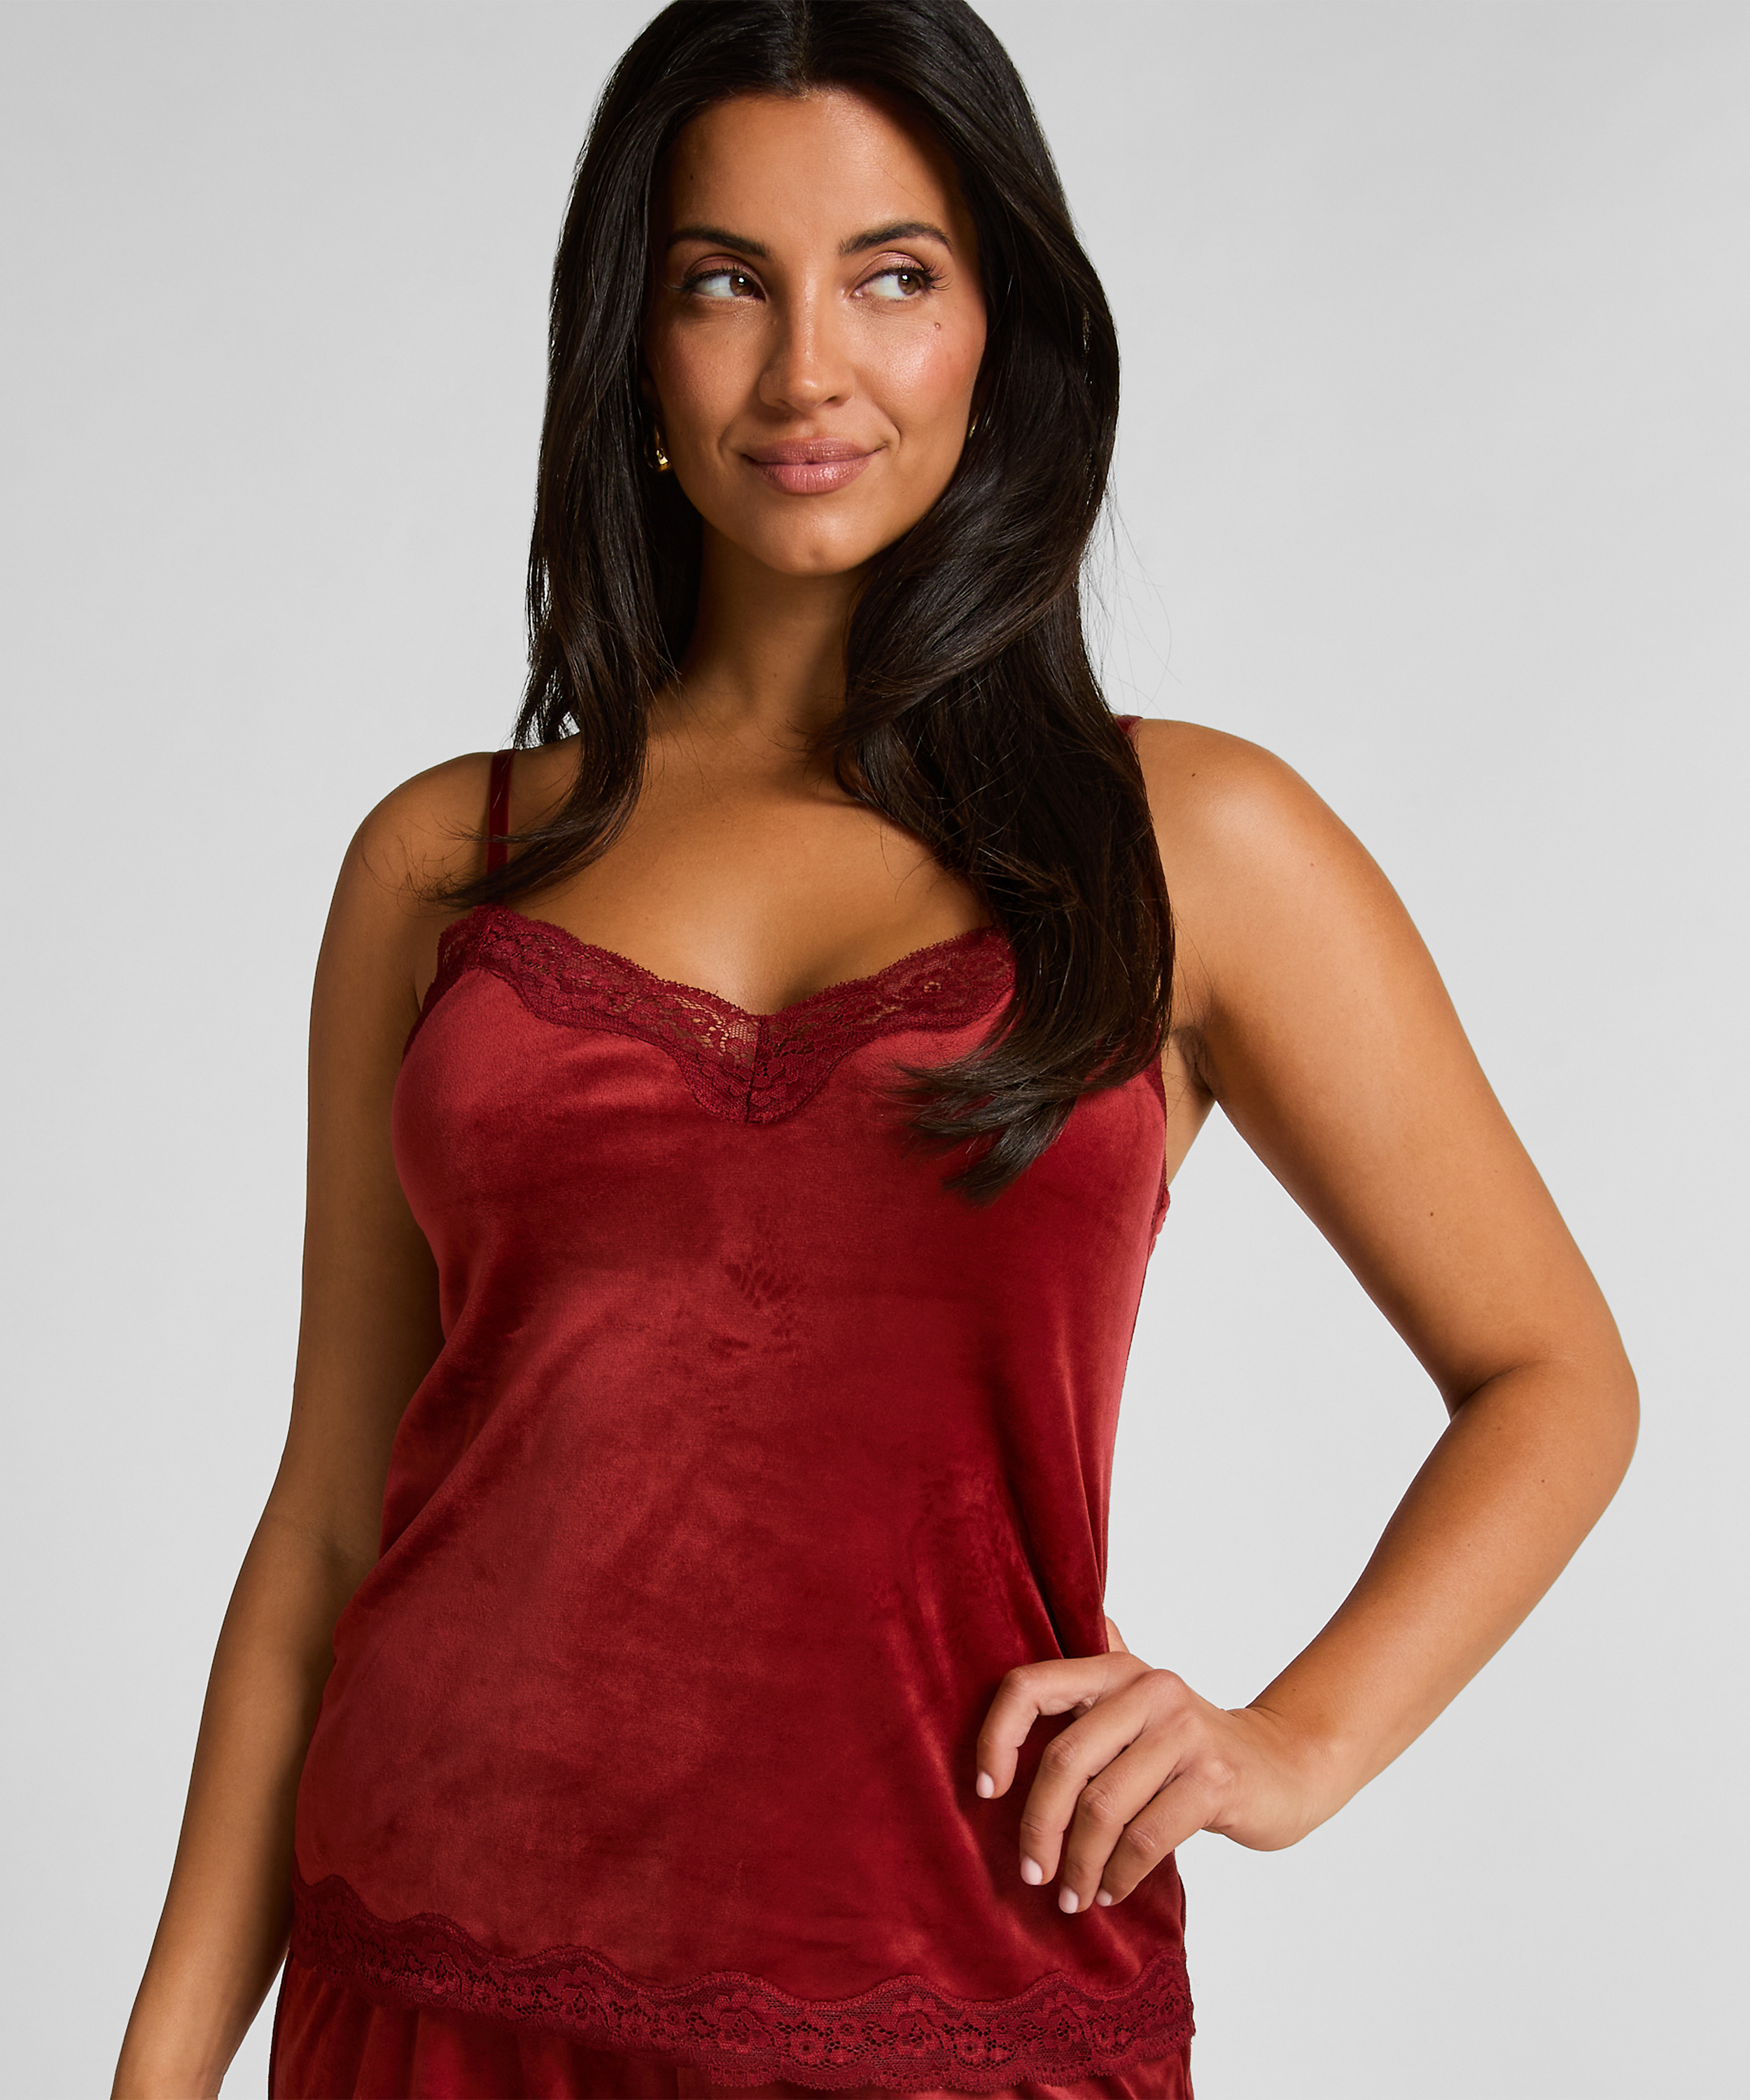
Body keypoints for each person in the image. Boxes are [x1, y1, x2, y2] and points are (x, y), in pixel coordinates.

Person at [112, 3, 1637, 2096]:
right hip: (429, 1991)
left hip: (958, 2008)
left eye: (892, 275)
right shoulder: (440, 864)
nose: (807, 370)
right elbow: (324, 1531)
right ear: (631, 343)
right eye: (723, 282)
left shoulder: (1187, 844)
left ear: (999, 329)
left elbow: (1553, 1378)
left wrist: (1290, 1745)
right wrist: (158, 2072)